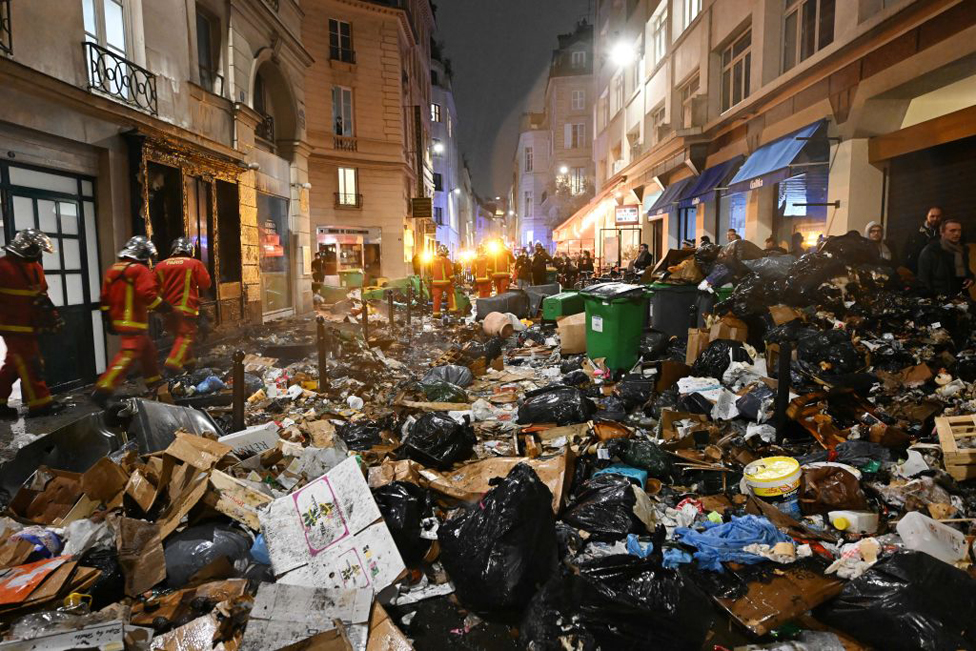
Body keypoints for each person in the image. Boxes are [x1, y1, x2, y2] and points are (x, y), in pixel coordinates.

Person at [92, 236, 167, 406]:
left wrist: (108, 320)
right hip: (135, 322)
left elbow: (104, 299)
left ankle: (154, 382)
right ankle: (103, 388)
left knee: (149, 352)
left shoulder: (113, 270)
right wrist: (165, 308)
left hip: (119, 320)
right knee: (127, 356)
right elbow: (149, 295)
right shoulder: (139, 270)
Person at [0, 230, 64, 418]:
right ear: (26, 247)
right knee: (31, 363)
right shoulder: (2, 267)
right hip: (12, 326)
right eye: (37, 249)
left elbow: (42, 297)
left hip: (30, 326)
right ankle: (40, 404)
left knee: (14, 363)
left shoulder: (35, 268)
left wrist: (53, 317)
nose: (39, 254)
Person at [155, 237, 213, 374]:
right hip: (186, 309)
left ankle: (190, 366)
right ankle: (172, 365)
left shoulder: (159, 266)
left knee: (180, 338)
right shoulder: (194, 264)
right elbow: (206, 283)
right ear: (189, 250)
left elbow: (154, 289)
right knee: (185, 337)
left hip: (167, 311)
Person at [917, 218, 974, 296]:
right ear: (942, 232)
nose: (957, 234)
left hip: (961, 297)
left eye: (959, 230)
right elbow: (923, 281)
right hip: (941, 299)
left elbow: (966, 272)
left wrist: (971, 278)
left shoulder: (962, 250)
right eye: (952, 231)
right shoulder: (930, 251)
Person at [902, 206, 943, 274]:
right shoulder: (915, 231)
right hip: (916, 270)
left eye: (938, 216)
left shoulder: (945, 232)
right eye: (932, 216)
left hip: (936, 270)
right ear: (927, 216)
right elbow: (906, 250)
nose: (935, 219)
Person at [430, 245, 456, 318]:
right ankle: (452, 311)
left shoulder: (433, 260)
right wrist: (453, 280)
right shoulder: (446, 260)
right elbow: (449, 272)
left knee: (437, 297)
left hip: (435, 282)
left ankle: (436, 314)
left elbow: (431, 271)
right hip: (445, 282)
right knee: (451, 294)